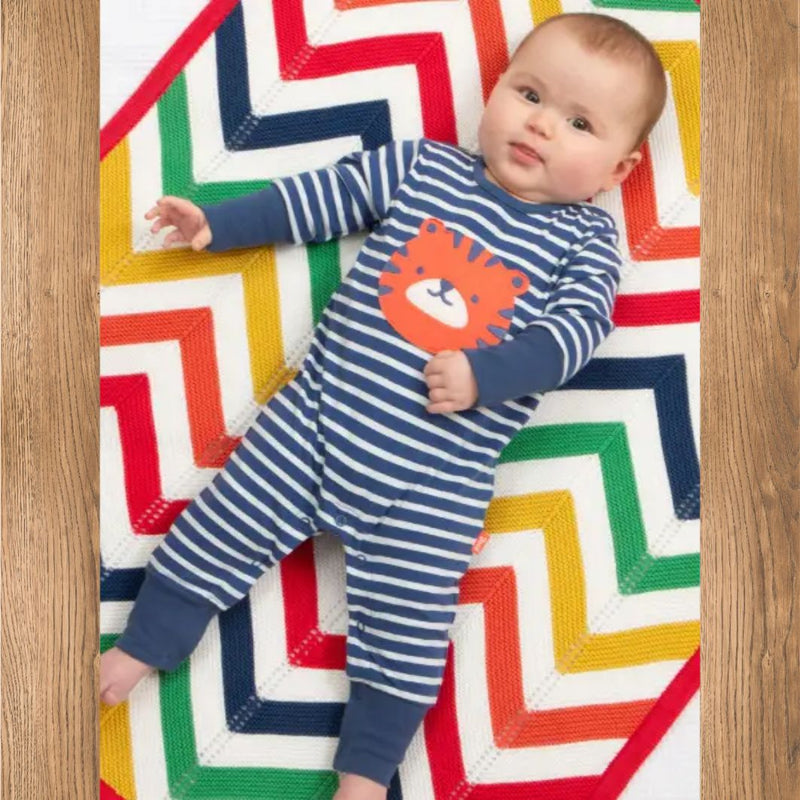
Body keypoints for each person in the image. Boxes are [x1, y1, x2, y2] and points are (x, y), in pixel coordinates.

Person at [100, 12, 666, 800]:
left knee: (409, 635)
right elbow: (322, 198)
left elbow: (574, 334)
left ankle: (365, 776)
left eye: (579, 124)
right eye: (530, 94)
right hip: (318, 420)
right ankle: (138, 651)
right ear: (496, 89)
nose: (540, 124)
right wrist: (218, 224)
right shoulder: (423, 169)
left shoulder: (585, 244)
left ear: (619, 169)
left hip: (437, 479)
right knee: (219, 524)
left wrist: (486, 375)